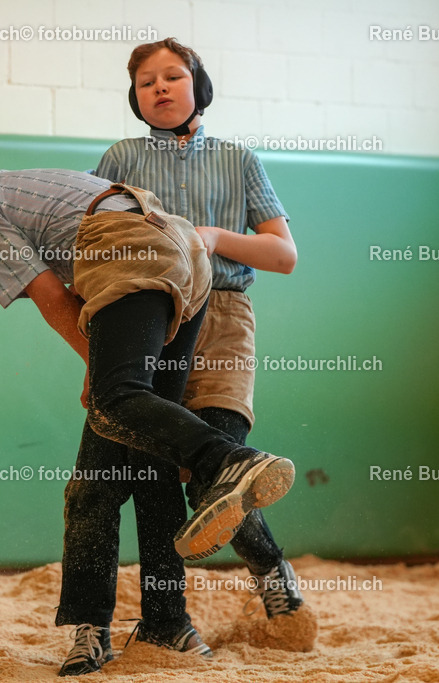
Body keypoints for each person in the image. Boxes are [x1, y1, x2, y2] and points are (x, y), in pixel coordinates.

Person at [0, 138, 296, 675]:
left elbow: (54, 298)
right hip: (188, 255)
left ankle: (228, 461)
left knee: (113, 415)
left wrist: (100, 370)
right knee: (148, 453)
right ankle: (169, 624)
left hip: (129, 253)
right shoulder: (41, 181)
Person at [96, 37, 307, 622]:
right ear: (135, 98)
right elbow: (94, 243)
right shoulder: (118, 159)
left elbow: (283, 253)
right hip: (150, 319)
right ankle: (167, 620)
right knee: (158, 475)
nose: (160, 87)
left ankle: (271, 572)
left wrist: (211, 237)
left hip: (223, 315)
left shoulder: (240, 159)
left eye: (172, 76)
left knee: (221, 467)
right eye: (146, 82)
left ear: (199, 86)